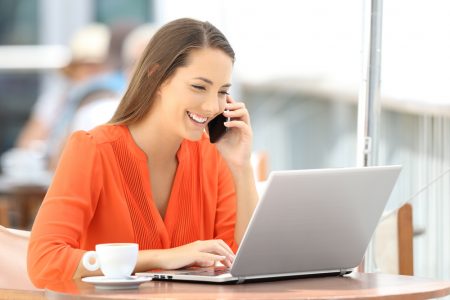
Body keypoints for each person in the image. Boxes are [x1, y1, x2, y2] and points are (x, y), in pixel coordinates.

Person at [27, 18, 258, 288]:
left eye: (222, 91)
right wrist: (159, 258)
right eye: (198, 87)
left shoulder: (213, 157)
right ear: (155, 77)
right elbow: (44, 261)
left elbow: (242, 261)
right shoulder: (93, 150)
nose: (211, 106)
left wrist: (242, 167)